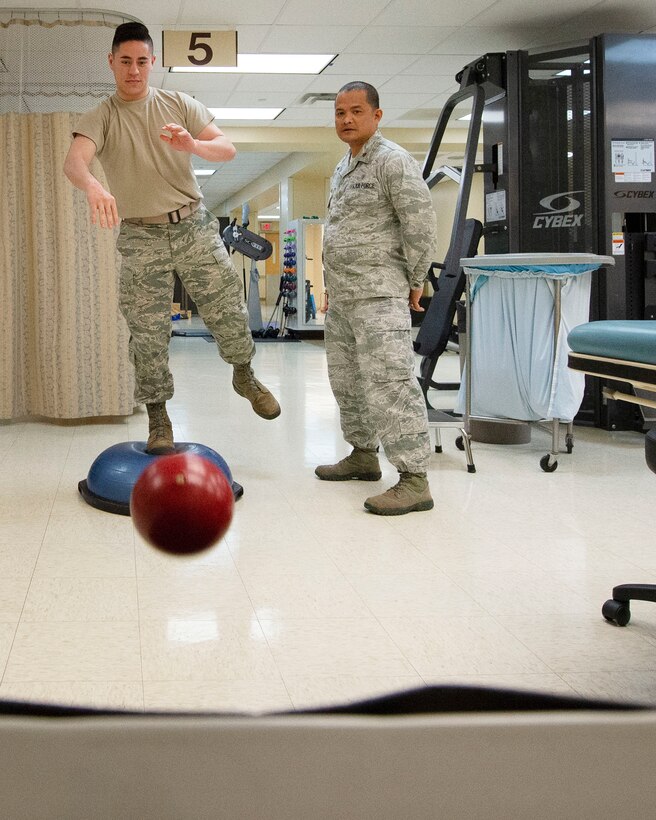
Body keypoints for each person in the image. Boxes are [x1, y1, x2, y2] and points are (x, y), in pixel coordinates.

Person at [63, 22, 280, 455]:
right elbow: (75, 162)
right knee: (146, 332)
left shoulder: (178, 104)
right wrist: (94, 187)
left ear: (153, 63)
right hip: (140, 234)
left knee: (227, 307)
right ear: (111, 62)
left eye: (142, 61)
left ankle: (244, 373)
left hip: (193, 225)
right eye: (125, 61)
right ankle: (159, 419)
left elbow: (226, 148)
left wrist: (194, 146)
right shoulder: (101, 116)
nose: (134, 70)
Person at [316, 81, 437, 515]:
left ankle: (414, 478)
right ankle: (364, 456)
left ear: (377, 115)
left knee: (390, 382)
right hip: (345, 298)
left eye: (355, 111)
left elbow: (419, 223)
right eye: (339, 113)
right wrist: (330, 288)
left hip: (379, 294)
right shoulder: (342, 166)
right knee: (346, 382)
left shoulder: (393, 161)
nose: (346, 119)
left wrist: (416, 277)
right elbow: (340, 232)